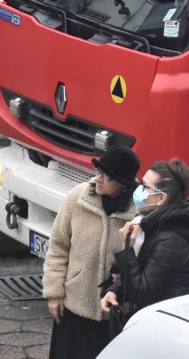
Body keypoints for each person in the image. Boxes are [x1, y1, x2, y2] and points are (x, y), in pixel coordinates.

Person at [43, 145, 140, 359]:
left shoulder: (139, 213)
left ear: (123, 183)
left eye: (106, 175)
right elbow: (58, 247)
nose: (97, 178)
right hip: (75, 308)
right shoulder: (77, 198)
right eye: (97, 171)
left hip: (115, 314)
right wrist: (54, 293)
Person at [99, 158, 189, 320]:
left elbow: (142, 293)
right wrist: (114, 290)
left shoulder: (171, 241)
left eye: (145, 187)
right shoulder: (149, 221)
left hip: (166, 322)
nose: (139, 190)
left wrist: (127, 249)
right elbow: (144, 271)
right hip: (151, 318)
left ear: (161, 198)